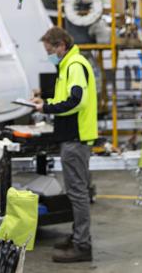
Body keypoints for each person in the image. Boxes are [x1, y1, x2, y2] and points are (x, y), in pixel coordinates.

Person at [31, 26, 97, 263]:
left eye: (50, 50)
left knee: (78, 194)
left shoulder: (74, 65)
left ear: (61, 46)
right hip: (72, 138)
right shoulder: (69, 65)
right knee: (76, 192)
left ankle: (82, 245)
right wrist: (45, 101)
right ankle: (79, 236)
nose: (49, 54)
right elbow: (64, 98)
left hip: (76, 138)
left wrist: (46, 108)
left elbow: (76, 101)